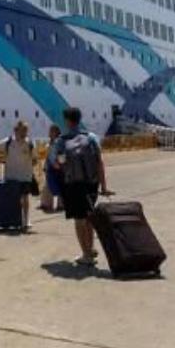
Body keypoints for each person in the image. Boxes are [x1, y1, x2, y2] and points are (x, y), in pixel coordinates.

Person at [50, 107, 110, 266]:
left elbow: (57, 164)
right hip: (91, 184)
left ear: (67, 121)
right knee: (89, 216)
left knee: (79, 220)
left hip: (73, 185)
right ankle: (91, 248)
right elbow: (99, 163)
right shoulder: (91, 137)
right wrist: (103, 186)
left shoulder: (61, 141)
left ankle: (86, 254)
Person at [0, 120, 37, 231]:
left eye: (26, 130)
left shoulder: (30, 143)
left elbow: (35, 159)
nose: (25, 133)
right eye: (22, 130)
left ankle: (26, 220)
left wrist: (32, 163)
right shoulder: (8, 142)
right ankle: (15, 219)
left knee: (25, 198)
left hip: (25, 175)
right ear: (16, 130)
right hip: (11, 176)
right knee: (14, 200)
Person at [42, 124, 64, 213]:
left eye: (51, 131)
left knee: (57, 185)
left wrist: (60, 164)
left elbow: (61, 154)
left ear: (55, 132)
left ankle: (58, 204)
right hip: (51, 166)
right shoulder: (51, 143)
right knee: (49, 185)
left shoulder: (58, 142)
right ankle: (48, 203)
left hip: (56, 166)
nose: (49, 133)